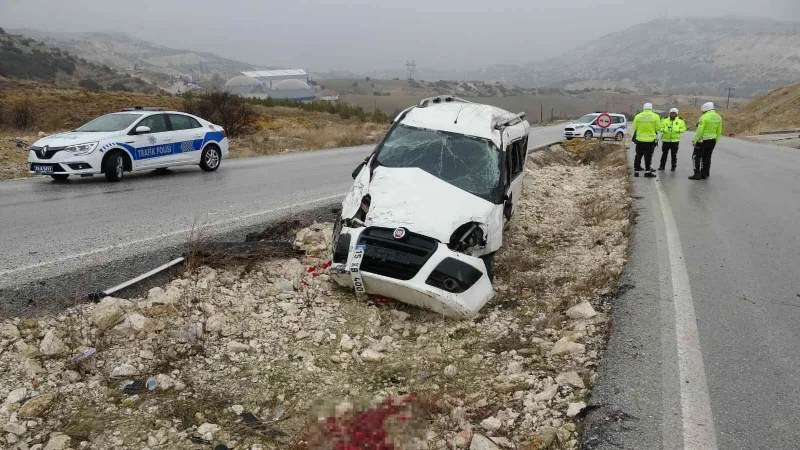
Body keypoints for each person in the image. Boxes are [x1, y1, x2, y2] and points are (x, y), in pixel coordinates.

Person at [689, 102, 723, 180]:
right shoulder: (718, 117)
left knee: (696, 157)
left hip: (702, 141)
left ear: (705, 109)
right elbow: (719, 130)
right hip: (712, 141)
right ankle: (704, 173)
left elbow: (699, 130)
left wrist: (694, 141)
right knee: (707, 157)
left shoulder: (704, 117)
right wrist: (716, 140)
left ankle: (697, 174)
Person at [632, 103, 662, 178]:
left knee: (638, 155)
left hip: (640, 140)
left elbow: (634, 128)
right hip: (650, 140)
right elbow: (658, 128)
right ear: (651, 108)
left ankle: (636, 171)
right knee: (648, 156)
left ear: (643, 108)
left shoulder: (638, 116)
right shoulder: (656, 116)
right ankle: (647, 172)